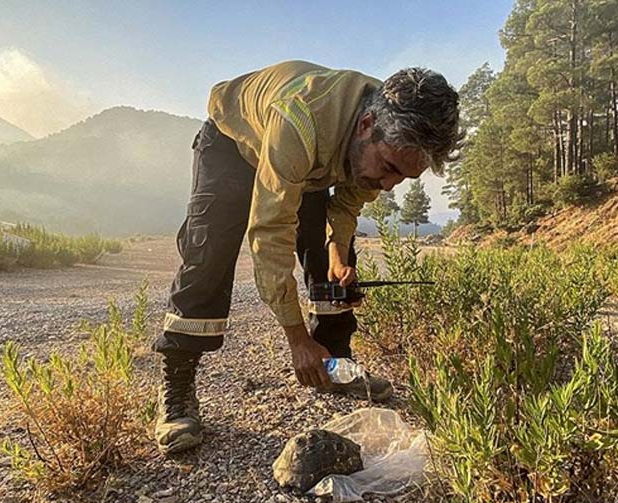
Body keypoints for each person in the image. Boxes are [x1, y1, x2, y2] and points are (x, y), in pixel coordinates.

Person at [151, 60, 462, 454]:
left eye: (402, 178)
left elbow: (346, 208)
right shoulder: (299, 119)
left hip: (317, 157)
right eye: (388, 169)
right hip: (233, 142)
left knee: (332, 256)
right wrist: (296, 338)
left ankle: (334, 362)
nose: (387, 185)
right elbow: (270, 230)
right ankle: (177, 389)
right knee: (208, 251)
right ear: (366, 125)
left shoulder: (384, 134)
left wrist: (336, 254)